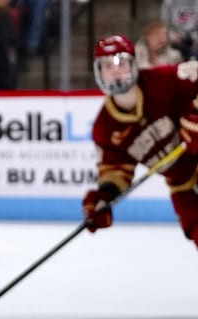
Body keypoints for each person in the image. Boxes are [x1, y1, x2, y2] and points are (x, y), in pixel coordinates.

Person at [83, 34, 198, 252]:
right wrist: (105, 196)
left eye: (120, 62)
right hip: (185, 187)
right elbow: (115, 170)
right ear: (98, 72)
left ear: (133, 64)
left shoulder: (165, 80)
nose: (115, 70)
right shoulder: (105, 127)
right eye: (107, 65)